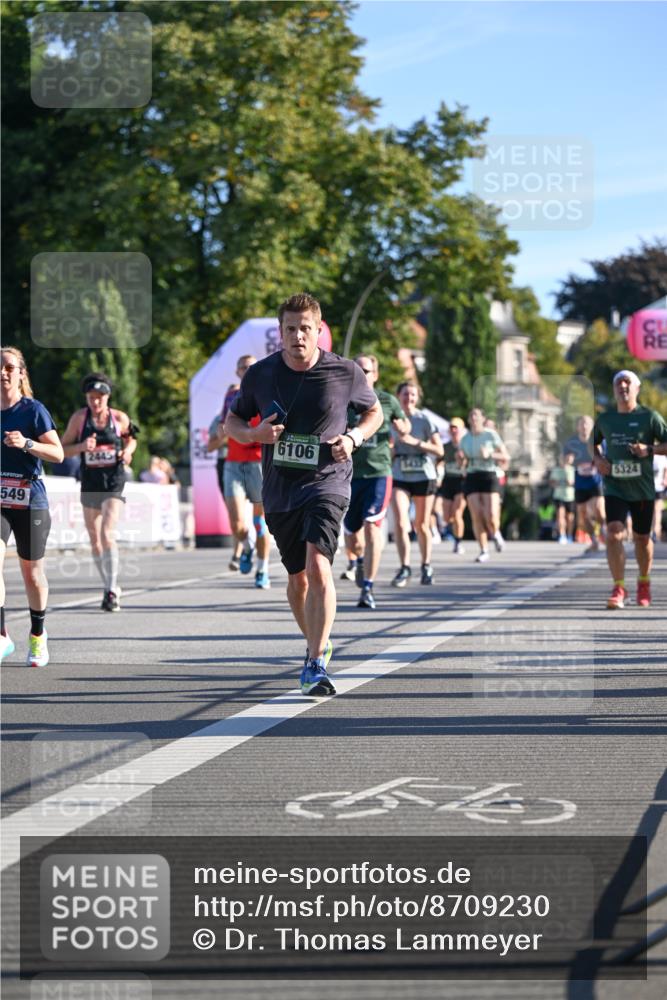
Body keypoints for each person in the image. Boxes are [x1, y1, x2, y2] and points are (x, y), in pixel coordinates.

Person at [225, 292, 382, 696]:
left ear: (319, 331)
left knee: (318, 566)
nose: (298, 336)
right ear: (280, 332)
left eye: (305, 329)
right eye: (290, 329)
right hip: (280, 489)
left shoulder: (345, 372)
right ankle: (319, 639)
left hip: (328, 481)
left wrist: (354, 437)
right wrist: (255, 434)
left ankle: (314, 662)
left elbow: (373, 412)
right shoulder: (259, 375)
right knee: (297, 580)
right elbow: (234, 421)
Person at [1, 346, 64, 665]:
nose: (3, 372)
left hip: (29, 497)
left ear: (21, 373)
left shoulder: (33, 410)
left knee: (32, 574)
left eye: (9, 367)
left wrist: (26, 443)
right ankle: (1, 636)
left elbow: (58, 454)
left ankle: (38, 635)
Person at [60, 373, 137, 612]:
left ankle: (111, 590)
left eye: (100, 397)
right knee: (94, 539)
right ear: (86, 397)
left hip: (114, 479)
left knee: (106, 533)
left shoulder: (119, 418)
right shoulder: (79, 419)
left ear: (107, 397)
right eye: (92, 397)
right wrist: (82, 447)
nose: (96, 402)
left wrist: (128, 452)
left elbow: (132, 439)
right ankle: (108, 583)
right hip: (90, 480)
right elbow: (61, 450)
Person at [593, 370, 667, 609]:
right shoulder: (605, 419)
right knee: (614, 532)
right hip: (615, 486)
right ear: (614, 390)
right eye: (618, 383)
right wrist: (598, 460)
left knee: (642, 538)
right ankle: (619, 587)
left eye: (627, 382)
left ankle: (644, 582)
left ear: (637, 389)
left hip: (643, 489)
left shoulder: (650, 417)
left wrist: (649, 450)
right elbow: (592, 444)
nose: (622, 386)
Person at [342, 355, 409, 609]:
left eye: (366, 370)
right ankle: (359, 561)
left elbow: (404, 424)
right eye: (357, 369)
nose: (362, 373)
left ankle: (368, 588)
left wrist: (403, 428)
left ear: (376, 374)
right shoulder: (343, 399)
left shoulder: (387, 401)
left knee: (372, 527)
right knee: (353, 539)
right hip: (349, 475)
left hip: (379, 473)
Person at [211, 355, 271, 589]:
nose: (248, 370)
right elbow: (215, 437)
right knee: (236, 524)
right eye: (244, 367)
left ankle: (262, 569)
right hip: (234, 464)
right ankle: (246, 548)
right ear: (237, 372)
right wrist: (220, 434)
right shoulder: (231, 398)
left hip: (259, 464)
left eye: (252, 367)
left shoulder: (267, 393)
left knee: (260, 522)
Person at [389, 381, 444, 586]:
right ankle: (404, 567)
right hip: (400, 474)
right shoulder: (391, 420)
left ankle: (426, 565)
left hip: (423, 475)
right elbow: (388, 449)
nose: (409, 398)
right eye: (405, 394)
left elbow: (440, 451)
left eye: (412, 395)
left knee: (421, 524)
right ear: (398, 396)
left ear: (417, 397)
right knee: (401, 522)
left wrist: (416, 443)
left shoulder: (425, 420)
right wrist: (392, 448)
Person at [459, 407, 510, 563]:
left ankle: (496, 533)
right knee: (477, 515)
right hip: (473, 475)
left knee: (491, 515)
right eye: (471, 415)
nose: (474, 418)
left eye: (477, 415)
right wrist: (460, 459)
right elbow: (462, 462)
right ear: (469, 420)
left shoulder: (491, 435)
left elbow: (506, 456)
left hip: (489, 475)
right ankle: (483, 550)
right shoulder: (465, 439)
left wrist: (490, 454)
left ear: (482, 419)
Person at [563, 415, 606, 551]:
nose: (584, 426)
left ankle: (605, 532)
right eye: (582, 424)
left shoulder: (599, 440)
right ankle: (594, 540)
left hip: (596, 481)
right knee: (582, 515)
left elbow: (607, 458)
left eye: (587, 424)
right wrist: (567, 461)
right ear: (577, 427)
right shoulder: (571, 443)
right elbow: (563, 461)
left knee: (598, 509)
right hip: (580, 483)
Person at [436, 417, 467, 554]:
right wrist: (437, 472)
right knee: (447, 517)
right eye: (451, 428)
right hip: (448, 481)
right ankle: (454, 530)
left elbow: (470, 465)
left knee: (457, 513)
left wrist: (463, 461)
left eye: (456, 428)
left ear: (461, 429)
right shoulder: (446, 446)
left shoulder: (466, 445)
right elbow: (439, 461)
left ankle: (458, 543)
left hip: (462, 481)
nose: (453, 430)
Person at [549, 451, 576, 543]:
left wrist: (568, 479)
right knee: (560, 516)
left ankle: (569, 536)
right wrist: (557, 483)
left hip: (570, 496)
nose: (569, 460)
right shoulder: (556, 470)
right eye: (567, 458)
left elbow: (572, 482)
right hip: (558, 496)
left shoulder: (573, 469)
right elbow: (552, 482)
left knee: (570, 518)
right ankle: (562, 535)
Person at [652, 452, 667, 542]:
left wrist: (665, 480)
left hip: (659, 487)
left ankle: (655, 532)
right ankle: (653, 532)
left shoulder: (662, 457)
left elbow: (666, 470)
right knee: (653, 511)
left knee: (657, 511)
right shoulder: (648, 455)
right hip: (649, 487)